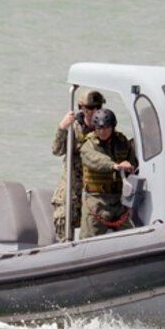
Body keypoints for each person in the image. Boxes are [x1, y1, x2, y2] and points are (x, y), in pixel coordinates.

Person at [51, 89, 105, 239]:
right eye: (90, 108)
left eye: (97, 107)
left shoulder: (104, 128)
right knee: (64, 232)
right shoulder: (73, 127)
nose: (94, 112)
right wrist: (62, 128)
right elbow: (56, 150)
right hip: (71, 190)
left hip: (93, 192)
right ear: (82, 108)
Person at [78, 108, 139, 239]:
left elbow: (132, 162)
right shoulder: (88, 145)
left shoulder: (122, 142)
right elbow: (96, 160)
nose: (102, 131)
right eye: (99, 128)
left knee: (132, 236)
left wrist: (130, 167)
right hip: (96, 201)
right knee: (88, 240)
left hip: (118, 201)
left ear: (112, 127)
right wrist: (115, 166)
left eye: (106, 128)